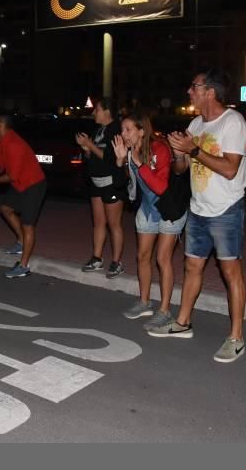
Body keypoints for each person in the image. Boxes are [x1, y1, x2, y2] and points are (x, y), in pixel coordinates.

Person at [152, 68, 246, 364]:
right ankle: (182, 323)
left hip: (225, 210)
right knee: (192, 267)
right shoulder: (196, 123)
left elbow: (231, 169)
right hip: (198, 209)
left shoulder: (233, 122)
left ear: (210, 91)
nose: (189, 91)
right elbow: (182, 170)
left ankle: (236, 338)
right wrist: (178, 152)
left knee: (230, 272)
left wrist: (193, 149)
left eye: (194, 87)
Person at [112, 112, 187, 331]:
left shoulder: (160, 149)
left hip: (170, 207)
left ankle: (164, 311)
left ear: (141, 131)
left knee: (162, 258)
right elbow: (121, 186)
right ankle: (144, 302)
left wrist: (137, 162)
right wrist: (119, 161)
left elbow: (162, 187)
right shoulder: (127, 151)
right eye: (122, 129)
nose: (123, 134)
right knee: (142, 256)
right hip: (147, 208)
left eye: (128, 129)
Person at [0, 111, 47, 278]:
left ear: (0, 124)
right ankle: (21, 242)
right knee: (5, 209)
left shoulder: (13, 144)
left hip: (34, 185)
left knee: (28, 224)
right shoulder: (0, 142)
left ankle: (23, 266)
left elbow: (11, 176)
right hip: (19, 184)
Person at [76, 98, 126, 279]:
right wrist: (86, 148)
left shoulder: (117, 130)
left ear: (106, 112)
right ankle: (97, 258)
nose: (93, 113)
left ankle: (116, 262)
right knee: (98, 222)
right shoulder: (97, 130)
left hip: (112, 182)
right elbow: (93, 156)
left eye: (96, 109)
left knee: (114, 224)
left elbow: (111, 158)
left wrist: (90, 145)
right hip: (96, 182)